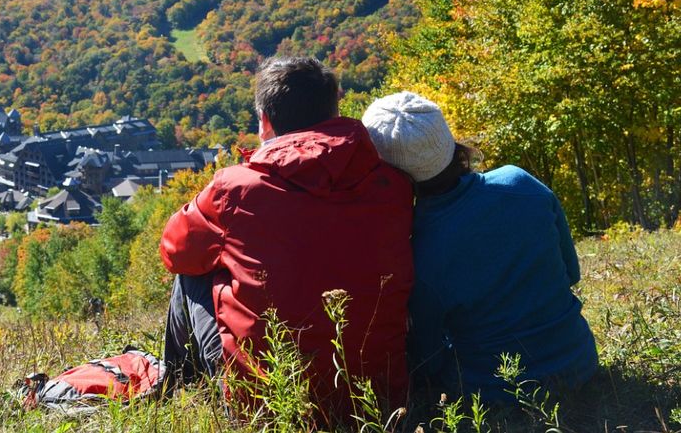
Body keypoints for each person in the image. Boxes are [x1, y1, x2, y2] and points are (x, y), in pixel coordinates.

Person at [159, 57, 415, 422]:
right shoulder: (392, 184)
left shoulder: (235, 188)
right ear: (334, 110)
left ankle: (176, 393)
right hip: (379, 401)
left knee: (191, 276)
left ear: (265, 122)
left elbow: (174, 252)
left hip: (267, 406)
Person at [362, 91, 598, 403]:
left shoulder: (419, 250)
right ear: (447, 140)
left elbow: (430, 359)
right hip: (580, 361)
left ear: (390, 173)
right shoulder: (521, 183)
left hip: (496, 390)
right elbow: (571, 272)